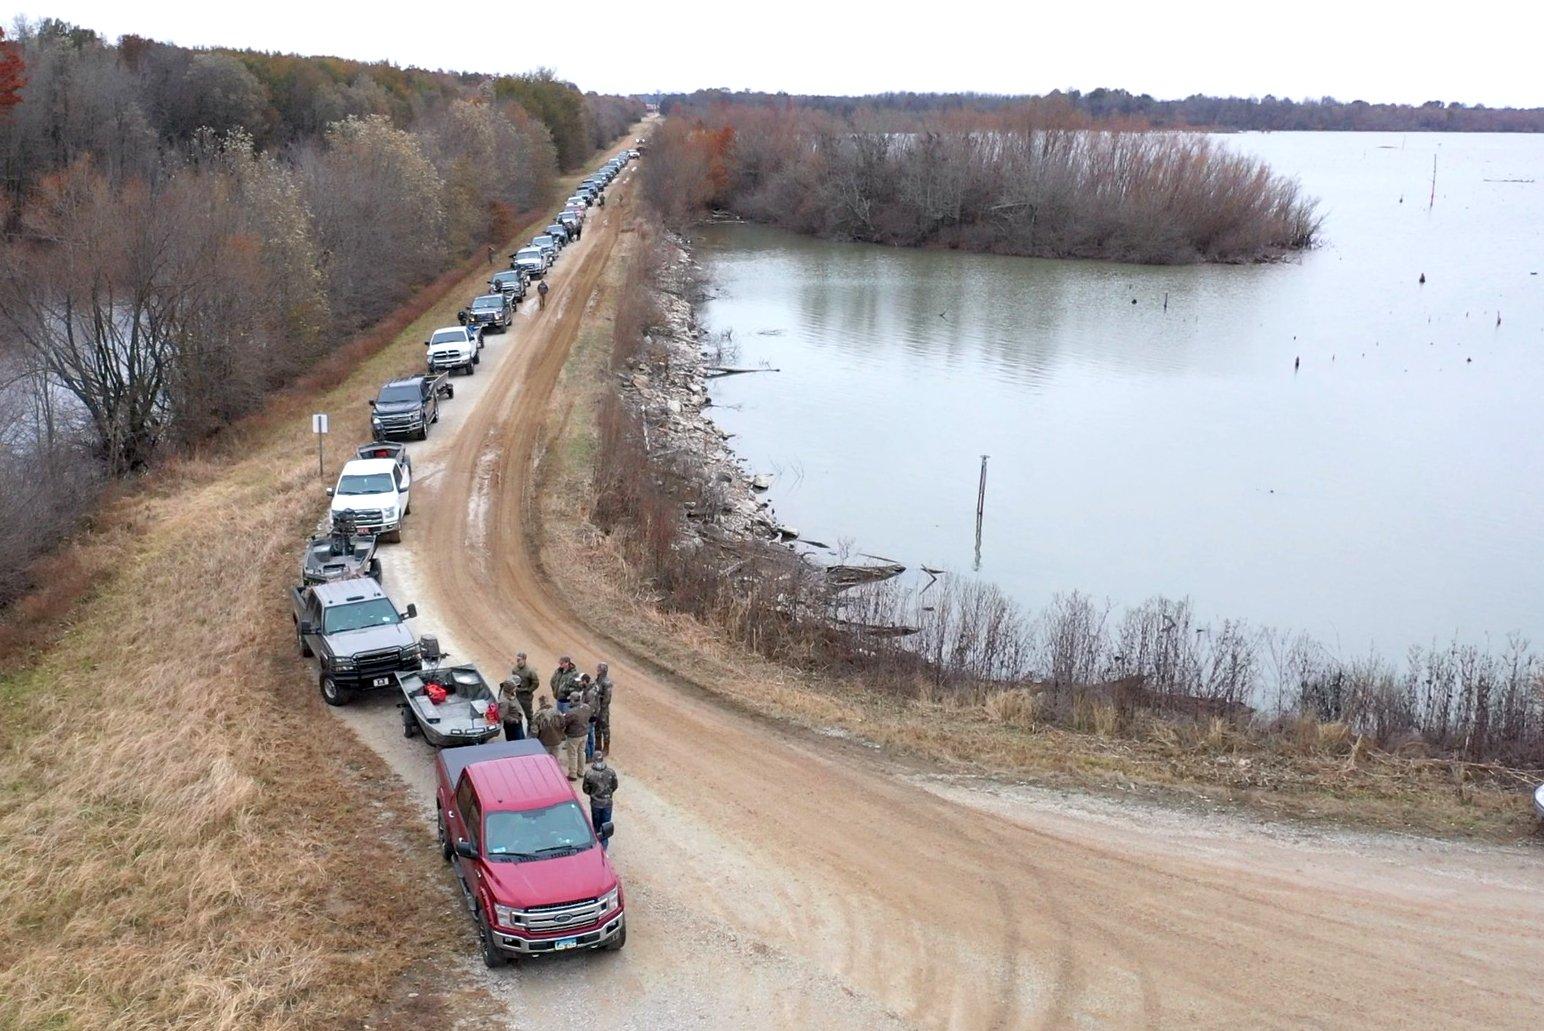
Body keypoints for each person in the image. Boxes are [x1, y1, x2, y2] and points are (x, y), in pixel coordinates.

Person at [498, 653, 539, 739]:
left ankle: (530, 733)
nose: (518, 661)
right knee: (515, 711)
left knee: (529, 716)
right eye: (517, 660)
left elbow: (535, 683)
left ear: (524, 659)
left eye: (519, 660)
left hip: (526, 697)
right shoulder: (515, 669)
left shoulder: (530, 671)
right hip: (517, 695)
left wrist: (529, 690)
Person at [582, 753, 618, 850]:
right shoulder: (611, 772)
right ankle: (604, 848)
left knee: (596, 827)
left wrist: (593, 794)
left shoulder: (589, 774)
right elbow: (615, 786)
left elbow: (585, 789)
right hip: (607, 803)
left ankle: (597, 848)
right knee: (606, 827)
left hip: (596, 804)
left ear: (593, 761)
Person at [562, 690, 591, 780]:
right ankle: (581, 771)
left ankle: (573, 774)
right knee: (581, 752)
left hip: (574, 736)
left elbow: (564, 723)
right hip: (584, 733)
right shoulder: (586, 707)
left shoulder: (572, 712)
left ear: (573, 700)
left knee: (573, 754)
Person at [592, 662, 614, 755]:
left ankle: (606, 747)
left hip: (603, 709)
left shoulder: (606, 682)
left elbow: (607, 698)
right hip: (597, 707)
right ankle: (598, 745)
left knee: (604, 728)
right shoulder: (598, 680)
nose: (597, 670)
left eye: (599, 669)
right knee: (597, 727)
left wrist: (601, 709)